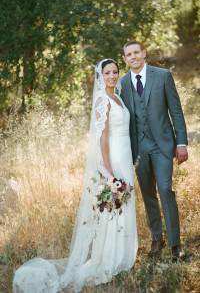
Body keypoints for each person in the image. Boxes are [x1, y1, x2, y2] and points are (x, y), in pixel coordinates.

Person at [13, 59, 138, 293]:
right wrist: (109, 174)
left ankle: (122, 257)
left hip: (125, 157)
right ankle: (108, 260)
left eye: (115, 72)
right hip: (114, 161)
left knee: (124, 207)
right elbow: (102, 139)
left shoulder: (119, 98)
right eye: (107, 73)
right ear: (101, 76)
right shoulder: (103, 100)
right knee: (113, 211)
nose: (112, 76)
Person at [120, 41, 188, 262]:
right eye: (128, 55)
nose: (133, 57)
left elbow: (176, 111)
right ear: (125, 59)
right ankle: (157, 239)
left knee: (166, 190)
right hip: (139, 149)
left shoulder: (163, 76)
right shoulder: (122, 84)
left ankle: (176, 244)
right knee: (148, 195)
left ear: (144, 53)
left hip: (163, 146)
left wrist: (182, 143)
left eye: (136, 52)